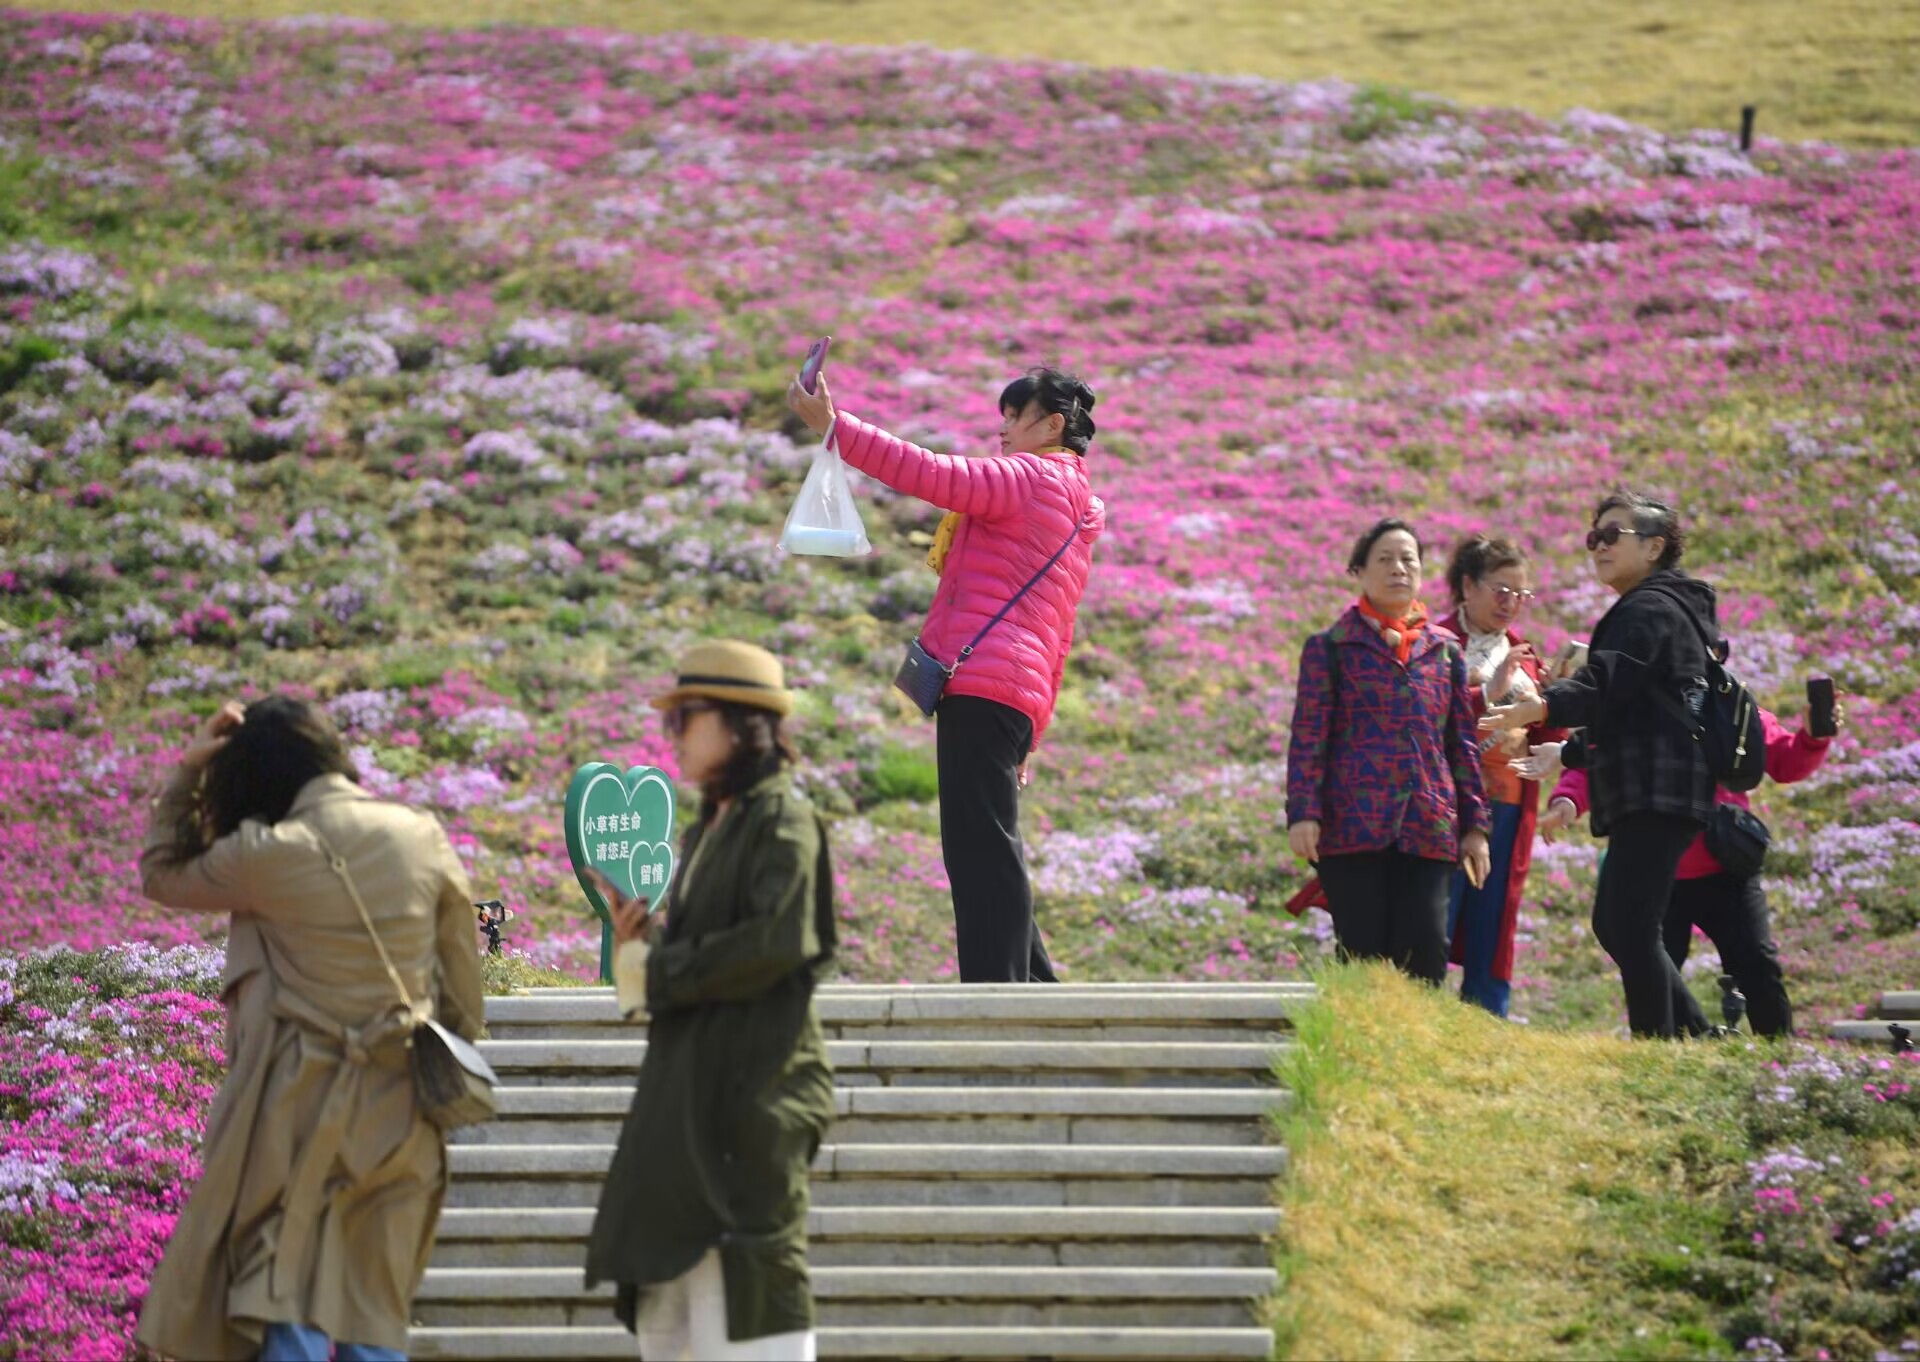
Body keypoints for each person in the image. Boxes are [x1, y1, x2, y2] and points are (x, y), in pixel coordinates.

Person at [135, 696, 485, 1362]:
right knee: (372, 1315)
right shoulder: (421, 834)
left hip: (294, 1110)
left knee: (285, 1304)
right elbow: (462, 987)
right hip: (401, 1110)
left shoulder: (266, 853)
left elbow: (161, 872)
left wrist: (189, 771)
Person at [786, 364, 1104, 983]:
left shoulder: (1030, 480)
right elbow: (1059, 634)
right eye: (1004, 417)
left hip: (983, 685)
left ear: (1054, 425)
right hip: (1013, 696)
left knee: (979, 848)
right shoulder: (1076, 506)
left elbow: (929, 472)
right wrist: (1034, 730)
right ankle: (1033, 986)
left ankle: (998, 989)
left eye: (1017, 416)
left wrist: (834, 427)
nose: (1005, 429)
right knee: (989, 840)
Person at [584, 641, 837, 1362]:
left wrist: (662, 970)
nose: (674, 736)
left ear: (736, 724)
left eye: (686, 717)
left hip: (752, 1104)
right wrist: (645, 945)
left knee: (755, 1317)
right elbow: (714, 960)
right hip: (690, 1108)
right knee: (669, 1322)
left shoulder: (785, 823)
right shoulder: (709, 830)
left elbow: (771, 944)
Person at [1484, 490, 1720, 1038]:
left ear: (1655, 546)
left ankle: (1660, 1044)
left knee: (1629, 924)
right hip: (1659, 786)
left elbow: (1607, 679)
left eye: (1613, 535)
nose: (1599, 547)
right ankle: (1693, 1033)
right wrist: (1566, 751)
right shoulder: (1664, 608)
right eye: (1595, 537)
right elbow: (1638, 715)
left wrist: (1545, 703)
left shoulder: (1650, 608)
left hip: (1657, 789)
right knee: (1618, 923)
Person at [1539, 701, 1839, 1037]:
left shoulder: (1731, 703)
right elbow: (1592, 758)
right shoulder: (1633, 700)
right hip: (1655, 872)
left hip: (1724, 867)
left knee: (1758, 964)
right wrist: (1568, 801)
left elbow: (1785, 760)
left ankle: (1778, 1060)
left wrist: (1812, 737)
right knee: (1650, 974)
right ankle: (1683, 1043)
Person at [1286, 518, 1491, 985]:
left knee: (1425, 955)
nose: (1398, 568)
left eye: (1408, 560)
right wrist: (1303, 812)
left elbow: (1461, 743)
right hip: (1351, 826)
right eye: (1384, 559)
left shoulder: (1445, 652)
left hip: (1429, 824)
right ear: (1358, 571)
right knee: (1362, 957)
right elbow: (1309, 737)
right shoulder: (1331, 648)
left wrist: (1476, 827)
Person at [1437, 535, 1566, 1017]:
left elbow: (1544, 735)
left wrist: (1555, 699)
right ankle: (1418, 1008)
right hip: (1448, 804)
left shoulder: (1526, 657)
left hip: (1509, 806)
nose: (1510, 603)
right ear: (1467, 587)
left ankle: (1487, 1013)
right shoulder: (1435, 642)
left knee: (1494, 916)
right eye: (1500, 590)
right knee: (1439, 910)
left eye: (1520, 594)